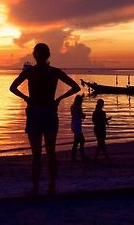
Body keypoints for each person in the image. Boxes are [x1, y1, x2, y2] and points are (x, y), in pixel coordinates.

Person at [10, 43, 80, 194]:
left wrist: (26, 98)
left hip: (35, 112)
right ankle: (52, 185)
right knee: (51, 151)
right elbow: (76, 87)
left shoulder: (30, 72)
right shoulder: (54, 72)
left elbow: (12, 88)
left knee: (37, 154)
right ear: (48, 55)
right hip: (49, 112)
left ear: (34, 55)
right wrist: (59, 99)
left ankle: (36, 187)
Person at [70, 94, 87, 161]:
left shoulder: (72, 106)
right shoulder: (78, 107)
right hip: (77, 125)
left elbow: (75, 115)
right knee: (82, 140)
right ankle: (82, 156)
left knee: (76, 141)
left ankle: (74, 157)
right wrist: (84, 115)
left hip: (73, 124)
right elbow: (81, 116)